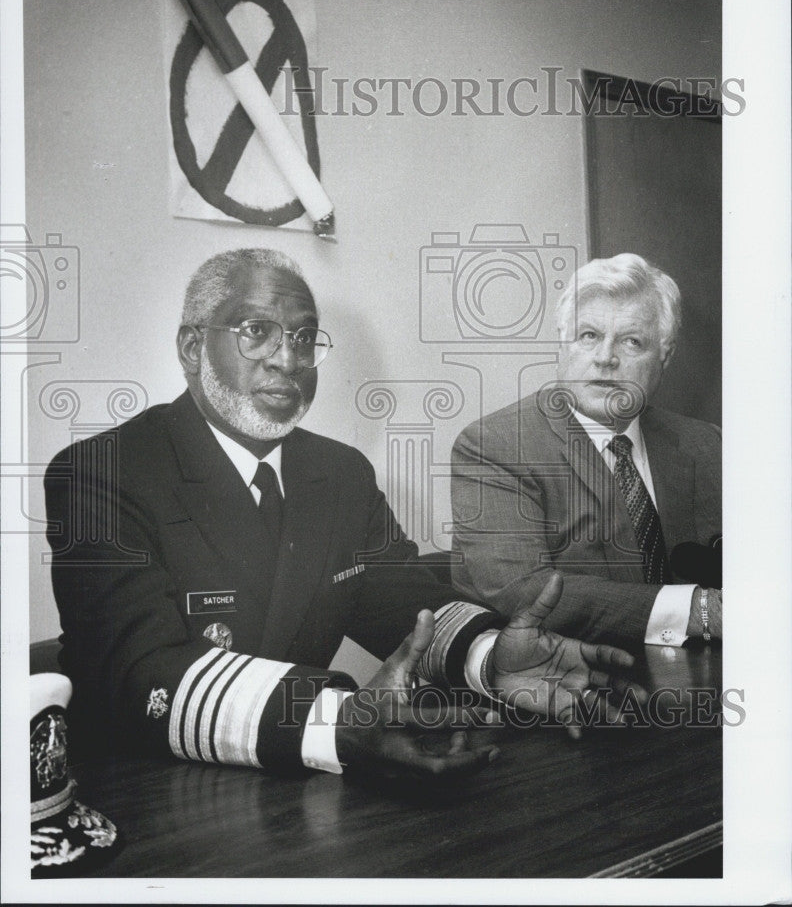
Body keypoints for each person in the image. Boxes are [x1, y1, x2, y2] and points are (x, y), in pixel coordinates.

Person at [45, 248, 640, 782]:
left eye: (305, 338)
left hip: (300, 776)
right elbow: (139, 674)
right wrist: (336, 719)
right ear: (192, 347)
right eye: (257, 331)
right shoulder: (102, 473)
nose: (288, 359)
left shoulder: (339, 472)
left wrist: (491, 659)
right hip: (145, 795)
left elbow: (405, 606)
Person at [450, 253, 722, 647]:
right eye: (589, 336)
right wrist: (698, 609)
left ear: (665, 355)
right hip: (564, 692)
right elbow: (524, 590)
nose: (605, 358)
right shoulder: (496, 445)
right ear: (564, 344)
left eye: (632, 341)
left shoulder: (706, 443)